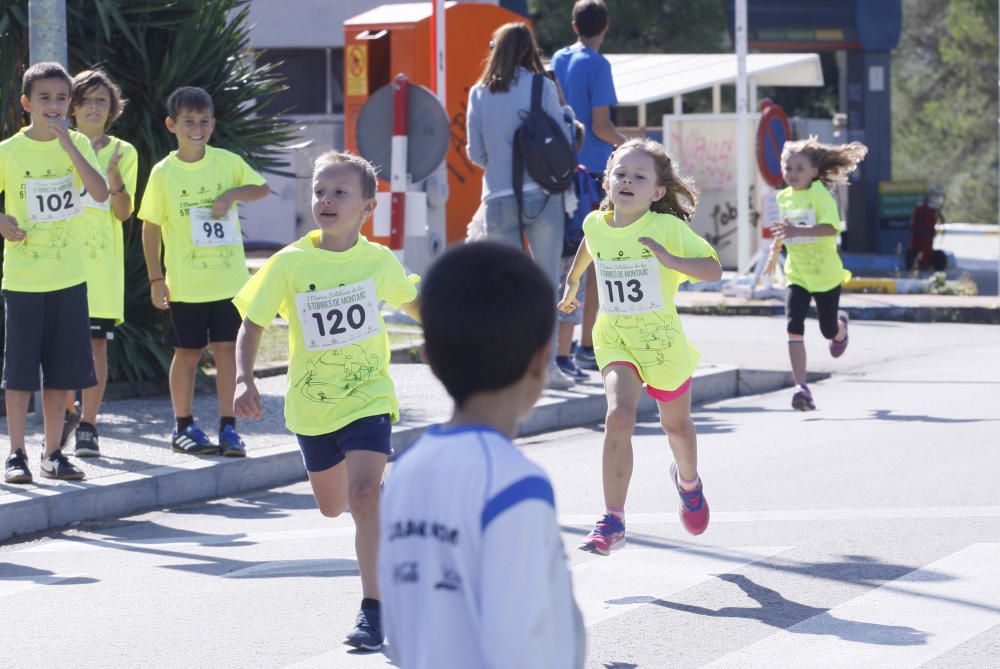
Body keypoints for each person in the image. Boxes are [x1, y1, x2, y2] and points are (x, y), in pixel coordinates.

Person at [233, 150, 420, 651]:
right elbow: (252, 321)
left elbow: (415, 305)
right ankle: (382, 496)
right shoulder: (290, 262)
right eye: (319, 191)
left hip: (368, 396)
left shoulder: (377, 261)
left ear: (366, 207)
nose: (326, 200)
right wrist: (243, 379)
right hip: (312, 406)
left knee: (362, 498)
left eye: (339, 192)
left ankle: (373, 609)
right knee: (333, 506)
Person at [379, 241, 584, 669]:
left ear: (430, 360)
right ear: (541, 360)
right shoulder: (514, 483)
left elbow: (399, 621)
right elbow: (524, 642)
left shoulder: (404, 473)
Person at [559, 138, 721, 553]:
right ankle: (613, 519)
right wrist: (573, 281)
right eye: (620, 174)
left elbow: (712, 270)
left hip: (662, 345)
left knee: (677, 427)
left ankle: (689, 484)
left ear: (657, 192)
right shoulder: (596, 222)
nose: (627, 181)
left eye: (639, 177)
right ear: (607, 180)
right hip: (615, 338)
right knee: (619, 416)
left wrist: (672, 261)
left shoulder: (667, 229)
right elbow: (588, 247)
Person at [138, 86, 269, 457]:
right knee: (188, 353)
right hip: (185, 285)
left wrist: (232, 196)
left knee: (228, 351)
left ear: (213, 123)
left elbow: (261, 188)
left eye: (204, 121)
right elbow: (150, 227)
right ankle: (183, 426)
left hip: (228, 283)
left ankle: (229, 427)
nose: (197, 128)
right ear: (171, 125)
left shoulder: (226, 162)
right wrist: (155, 278)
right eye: (189, 122)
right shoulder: (163, 173)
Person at [1, 62, 107, 483]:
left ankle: (52, 454)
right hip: (24, 279)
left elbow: (99, 192)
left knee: (61, 373)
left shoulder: (77, 141)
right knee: (20, 372)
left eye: (61, 98)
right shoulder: (9, 151)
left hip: (68, 278)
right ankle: (15, 453)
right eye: (44, 98)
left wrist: (70, 148)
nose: (53, 105)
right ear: (26, 103)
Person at [465, 21, 576, 390]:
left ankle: (509, 370)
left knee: (507, 288)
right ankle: (547, 369)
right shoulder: (542, 86)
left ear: (495, 49)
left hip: (496, 198)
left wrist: (501, 159)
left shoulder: (479, 94)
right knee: (545, 283)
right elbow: (562, 137)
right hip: (543, 196)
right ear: (531, 48)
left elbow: (475, 153)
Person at [59, 69, 139, 458]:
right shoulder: (55, 144)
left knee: (96, 347)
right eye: (86, 100)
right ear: (72, 106)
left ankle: (89, 424)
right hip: (57, 263)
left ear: (112, 109)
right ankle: (66, 415)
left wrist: (114, 179)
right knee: (56, 347)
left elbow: (124, 213)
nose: (94, 107)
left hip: (101, 269)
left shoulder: (124, 151)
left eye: (101, 101)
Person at [552, 0, 630, 374]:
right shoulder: (598, 65)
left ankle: (562, 346)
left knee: (567, 259)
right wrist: (629, 145)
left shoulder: (559, 58)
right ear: (606, 27)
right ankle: (586, 344)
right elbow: (600, 126)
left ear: (573, 25)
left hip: (562, 169)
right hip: (595, 172)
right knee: (598, 260)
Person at [770, 136, 868, 411]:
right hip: (797, 274)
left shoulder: (820, 195)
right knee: (793, 326)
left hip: (825, 275)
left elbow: (831, 228)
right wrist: (778, 244)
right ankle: (801, 387)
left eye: (800, 168)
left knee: (827, 330)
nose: (793, 174)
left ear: (814, 171)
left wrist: (797, 231)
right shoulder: (782, 197)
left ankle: (840, 328)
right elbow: (786, 231)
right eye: (788, 168)